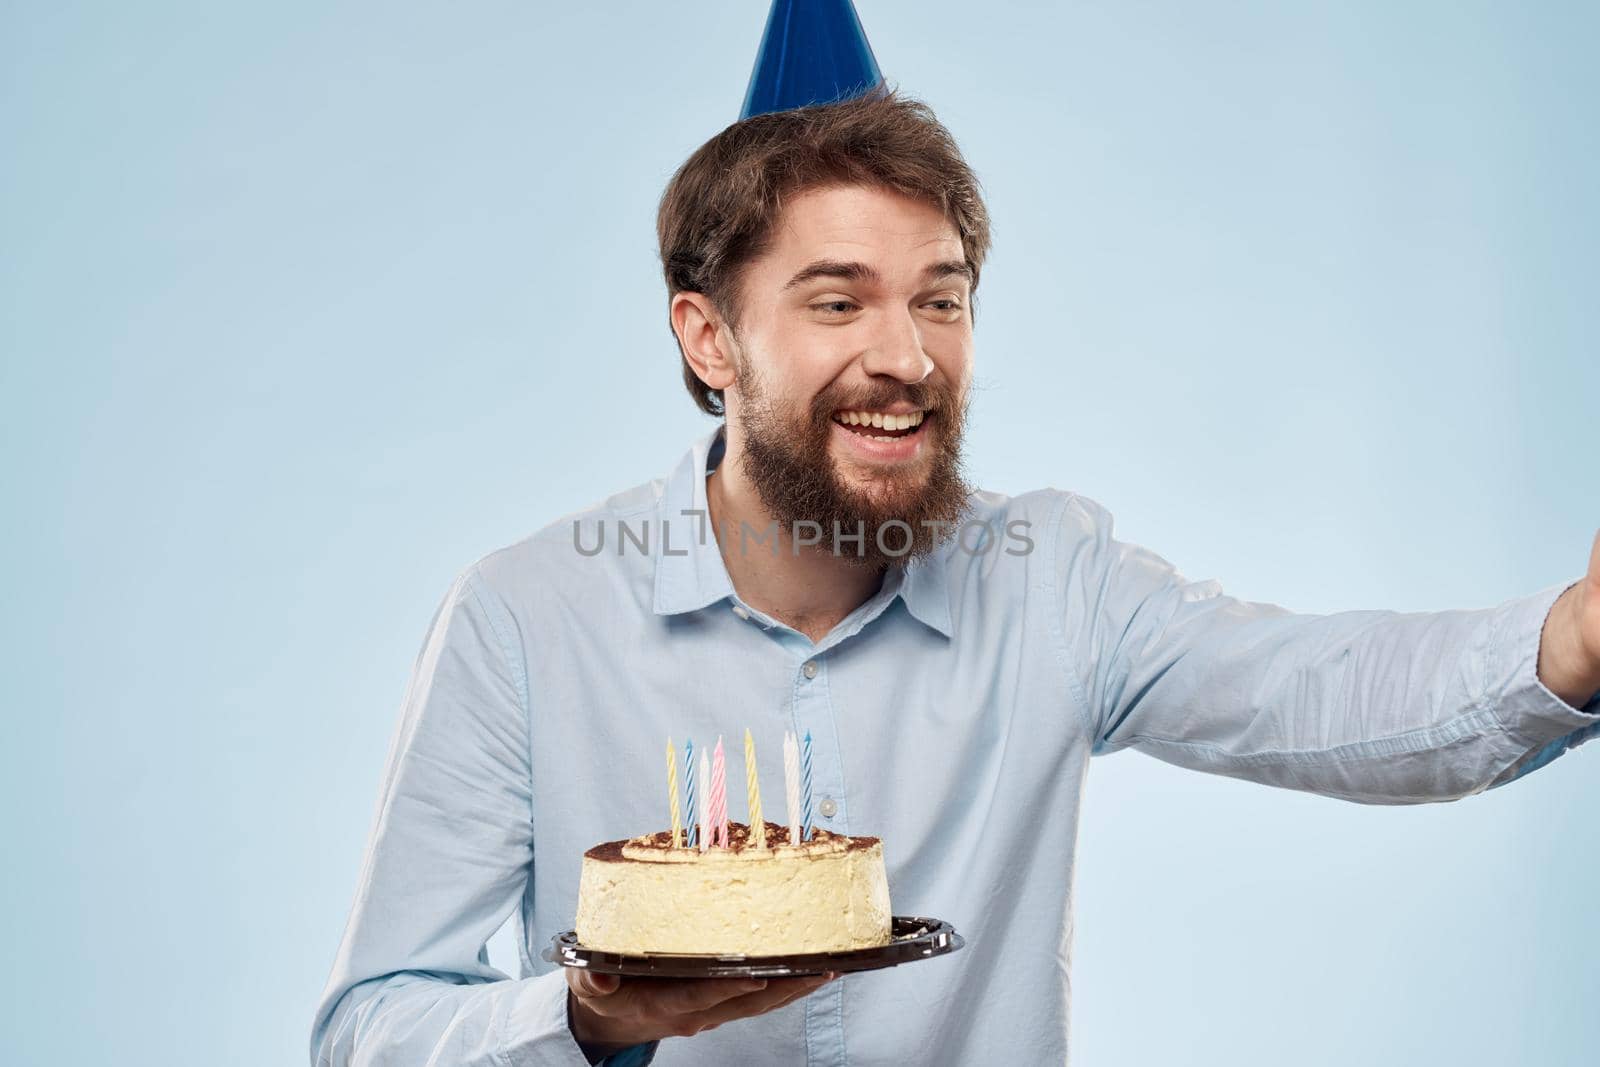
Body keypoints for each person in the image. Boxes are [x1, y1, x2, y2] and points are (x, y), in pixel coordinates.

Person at [310, 7, 1600, 1067]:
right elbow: (370, 1032)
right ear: (707, 337)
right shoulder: (528, 619)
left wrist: (1572, 641)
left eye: (943, 299)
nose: (907, 356)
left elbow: (1319, 693)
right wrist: (585, 1017)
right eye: (838, 301)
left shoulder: (1055, 583)